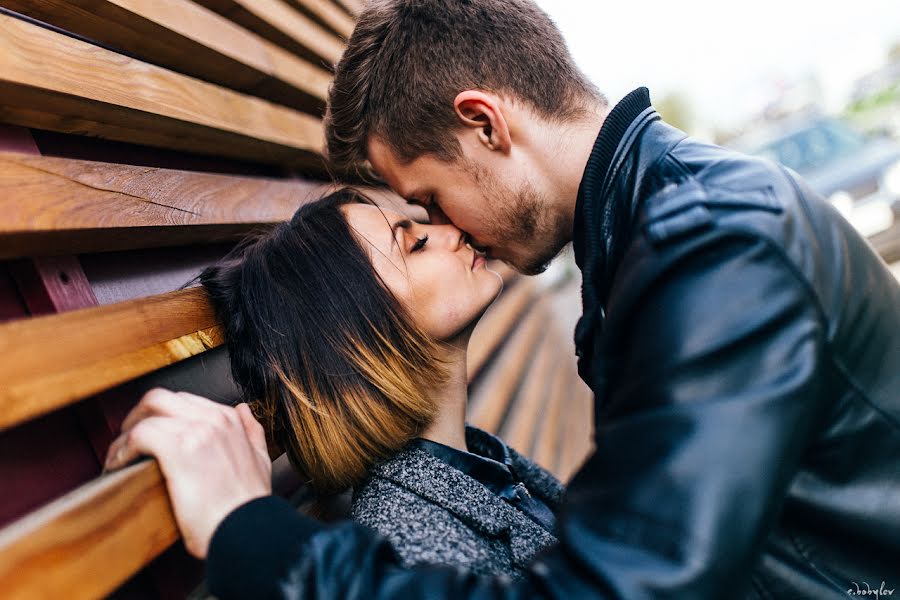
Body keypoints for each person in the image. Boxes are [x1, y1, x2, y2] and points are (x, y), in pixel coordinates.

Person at [105, 0, 900, 598]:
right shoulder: (664, 235)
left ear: (485, 124)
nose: (450, 230)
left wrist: (252, 537)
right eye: (416, 229)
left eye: (431, 200)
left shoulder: (709, 249)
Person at [114, 188, 563, 578]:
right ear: (360, 336)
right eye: (417, 244)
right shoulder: (411, 544)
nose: (453, 232)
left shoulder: (476, 463)